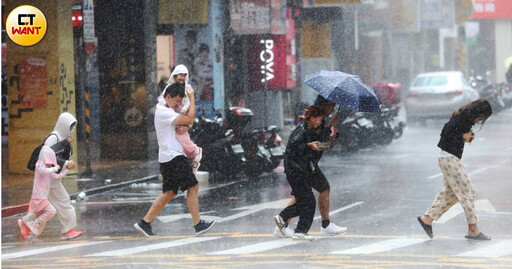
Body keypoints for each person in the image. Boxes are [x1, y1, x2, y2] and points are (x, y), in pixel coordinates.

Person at [134, 83, 216, 237]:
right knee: (193, 186)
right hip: (173, 157)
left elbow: (185, 124)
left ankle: (144, 223)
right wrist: (192, 97)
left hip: (168, 157)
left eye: (180, 102)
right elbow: (190, 118)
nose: (178, 105)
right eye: (177, 101)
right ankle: (198, 225)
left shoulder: (166, 109)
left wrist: (185, 125)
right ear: (168, 97)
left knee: (169, 192)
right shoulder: (164, 112)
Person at [417, 99, 493, 241]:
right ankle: (473, 230)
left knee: (452, 193)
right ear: (478, 112)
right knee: (467, 192)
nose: (480, 120)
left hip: (449, 158)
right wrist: (462, 136)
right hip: (449, 159)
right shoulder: (461, 118)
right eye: (481, 117)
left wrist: (464, 137)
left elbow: (452, 134)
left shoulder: (464, 118)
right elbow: (445, 133)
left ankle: (427, 219)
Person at [273, 96, 347, 238]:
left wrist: (329, 134)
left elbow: (318, 143)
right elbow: (300, 144)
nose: (333, 109)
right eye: (331, 106)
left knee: (305, 197)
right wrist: (326, 130)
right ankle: (291, 224)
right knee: (310, 198)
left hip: (306, 163)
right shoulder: (311, 122)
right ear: (323, 106)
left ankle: (285, 224)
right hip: (302, 165)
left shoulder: (319, 120)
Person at [18, 112, 82, 241]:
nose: (71, 129)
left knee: (44, 207)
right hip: (50, 179)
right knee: (63, 202)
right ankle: (67, 230)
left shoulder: (63, 138)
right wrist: (65, 164)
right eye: (70, 126)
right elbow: (45, 157)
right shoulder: (54, 137)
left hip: (50, 179)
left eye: (72, 127)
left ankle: (26, 224)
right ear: (63, 124)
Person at [273, 105, 327, 241]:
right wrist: (309, 145)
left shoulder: (307, 128)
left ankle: (286, 220)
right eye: (319, 119)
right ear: (312, 118)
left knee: (306, 201)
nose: (320, 122)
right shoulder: (302, 128)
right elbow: (292, 147)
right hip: (295, 169)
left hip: (298, 168)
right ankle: (299, 230)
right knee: (308, 201)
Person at [157, 65, 202, 173]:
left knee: (182, 136)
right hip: (173, 119)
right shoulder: (169, 89)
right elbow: (161, 100)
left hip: (182, 117)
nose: (183, 77)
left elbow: (189, 105)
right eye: (180, 74)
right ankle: (191, 159)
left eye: (185, 75)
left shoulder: (188, 88)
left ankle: (195, 151)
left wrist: (187, 125)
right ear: (175, 75)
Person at [21, 146, 69, 243]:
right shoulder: (39, 165)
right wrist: (55, 168)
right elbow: (44, 171)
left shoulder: (47, 168)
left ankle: (32, 235)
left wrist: (66, 169)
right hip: (38, 196)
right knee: (51, 211)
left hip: (43, 196)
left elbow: (57, 177)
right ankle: (31, 225)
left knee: (42, 218)